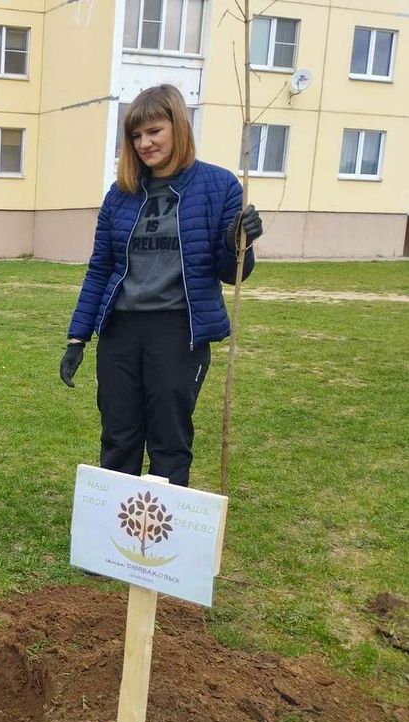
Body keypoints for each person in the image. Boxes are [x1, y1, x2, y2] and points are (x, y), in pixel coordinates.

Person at [59, 84, 264, 487]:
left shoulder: (219, 186)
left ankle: (159, 541)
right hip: (121, 331)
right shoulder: (120, 196)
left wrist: (239, 241)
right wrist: (77, 338)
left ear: (178, 126)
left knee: (169, 440)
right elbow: (99, 269)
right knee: (119, 436)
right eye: (136, 136)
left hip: (178, 331)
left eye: (154, 131)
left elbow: (232, 272)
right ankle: (119, 542)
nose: (144, 143)